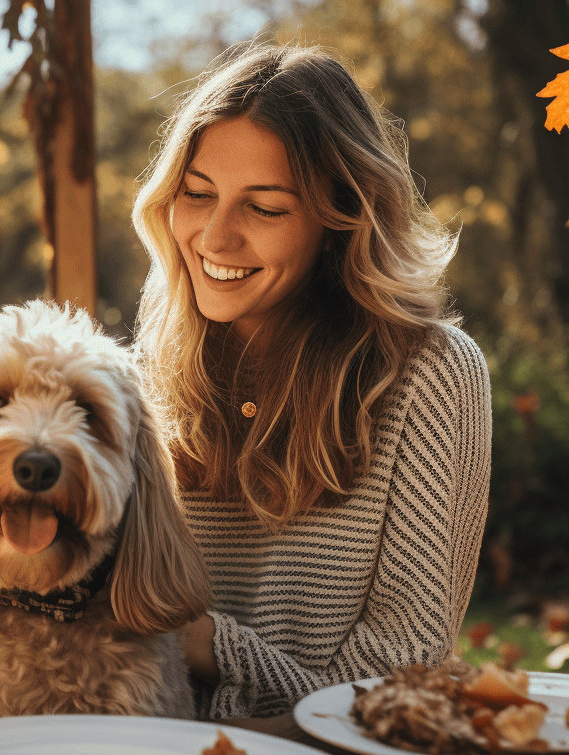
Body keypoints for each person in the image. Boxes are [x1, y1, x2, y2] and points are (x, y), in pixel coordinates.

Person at [131, 41, 492, 720]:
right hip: (144, 752)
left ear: (339, 218)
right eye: (197, 194)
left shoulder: (430, 373)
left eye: (263, 208)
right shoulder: (147, 370)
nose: (215, 236)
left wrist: (207, 646)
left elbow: (400, 669)